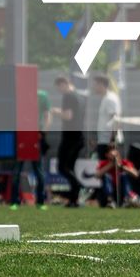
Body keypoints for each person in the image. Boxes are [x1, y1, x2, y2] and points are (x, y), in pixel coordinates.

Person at [9, 87, 50, 208]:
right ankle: (15, 201)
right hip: (22, 136)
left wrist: (42, 133)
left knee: (37, 170)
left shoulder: (41, 95)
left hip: (34, 136)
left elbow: (47, 114)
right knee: (19, 169)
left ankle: (40, 201)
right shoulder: (18, 95)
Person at [52, 75, 86, 206]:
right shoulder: (80, 97)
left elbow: (68, 116)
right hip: (78, 137)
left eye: (59, 88)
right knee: (70, 167)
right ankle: (73, 199)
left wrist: (55, 112)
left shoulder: (68, 96)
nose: (60, 92)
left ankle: (77, 187)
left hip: (70, 138)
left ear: (63, 84)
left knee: (62, 167)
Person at [90, 73, 122, 159]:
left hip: (108, 142)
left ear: (101, 85)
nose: (93, 87)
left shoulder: (110, 99)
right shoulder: (106, 98)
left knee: (106, 167)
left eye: (95, 85)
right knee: (103, 166)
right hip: (104, 140)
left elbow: (116, 120)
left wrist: (112, 140)